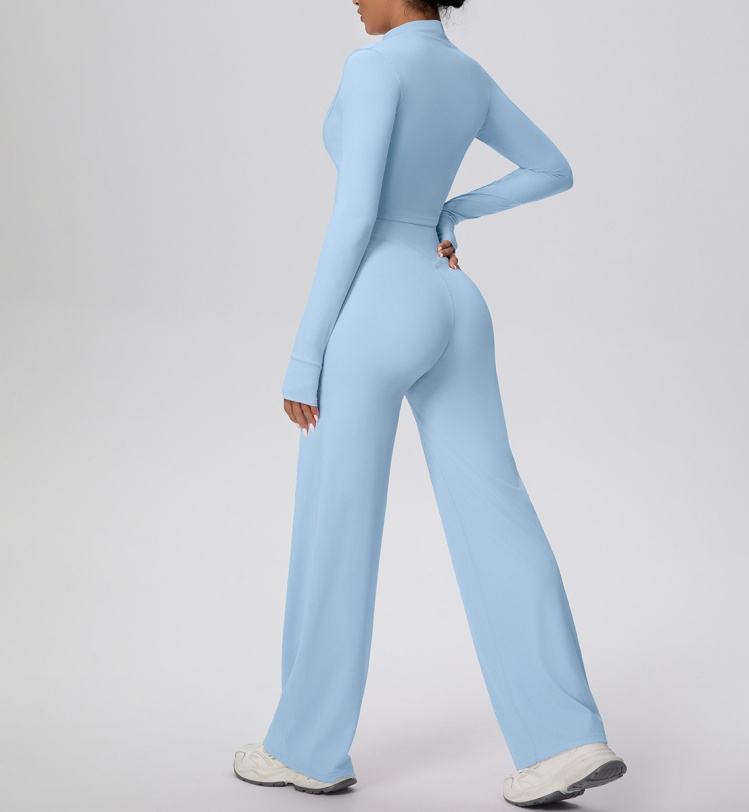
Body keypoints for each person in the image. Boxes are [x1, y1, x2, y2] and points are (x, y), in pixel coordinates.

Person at [234, 0, 628, 806]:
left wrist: (305, 352)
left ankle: (306, 747)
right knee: (499, 513)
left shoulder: (375, 65)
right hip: (453, 298)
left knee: (336, 526)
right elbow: (552, 168)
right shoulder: (466, 73)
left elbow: (354, 216)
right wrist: (451, 210)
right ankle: (565, 740)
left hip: (377, 303)